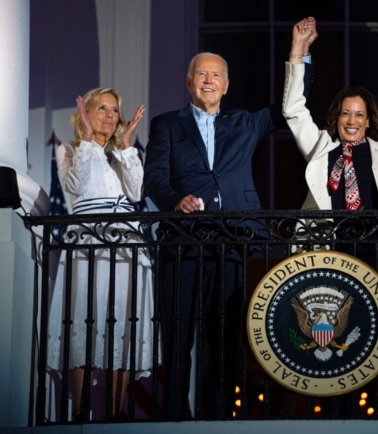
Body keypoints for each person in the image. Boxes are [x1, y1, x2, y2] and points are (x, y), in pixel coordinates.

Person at [142, 18, 316, 419]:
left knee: (224, 337)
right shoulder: (168, 124)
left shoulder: (244, 123)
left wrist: (299, 54)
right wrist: (175, 201)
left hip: (233, 241)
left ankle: (216, 418)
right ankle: (172, 419)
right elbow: (153, 177)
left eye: (216, 75)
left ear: (226, 85)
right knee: (179, 334)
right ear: (189, 83)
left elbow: (292, 105)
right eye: (201, 74)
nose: (208, 80)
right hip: (183, 242)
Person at [282, 20, 378, 417]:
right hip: (332, 252)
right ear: (337, 116)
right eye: (345, 113)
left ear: (368, 118)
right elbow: (293, 111)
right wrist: (297, 53)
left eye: (359, 114)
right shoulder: (322, 147)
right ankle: (336, 415)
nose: (351, 120)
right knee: (337, 343)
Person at [47, 88, 157, 421]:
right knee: (85, 320)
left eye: (114, 110)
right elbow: (76, 187)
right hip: (87, 247)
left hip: (126, 247)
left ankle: (112, 415)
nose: (110, 115)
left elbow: (137, 191)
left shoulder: (123, 153)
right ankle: (81, 414)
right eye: (102, 108)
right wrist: (87, 140)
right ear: (86, 113)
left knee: (123, 326)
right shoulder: (69, 150)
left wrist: (125, 148)